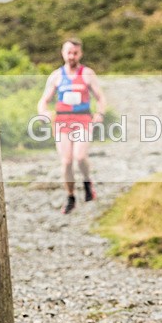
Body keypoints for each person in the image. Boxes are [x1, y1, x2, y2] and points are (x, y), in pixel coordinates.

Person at [37, 38, 107, 214]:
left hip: (83, 120)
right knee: (67, 161)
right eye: (68, 52)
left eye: (75, 53)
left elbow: (100, 98)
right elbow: (43, 101)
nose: (71, 56)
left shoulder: (87, 74)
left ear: (80, 54)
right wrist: (43, 113)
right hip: (62, 122)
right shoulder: (56, 76)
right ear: (63, 53)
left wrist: (100, 113)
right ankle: (70, 197)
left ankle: (86, 180)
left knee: (80, 156)